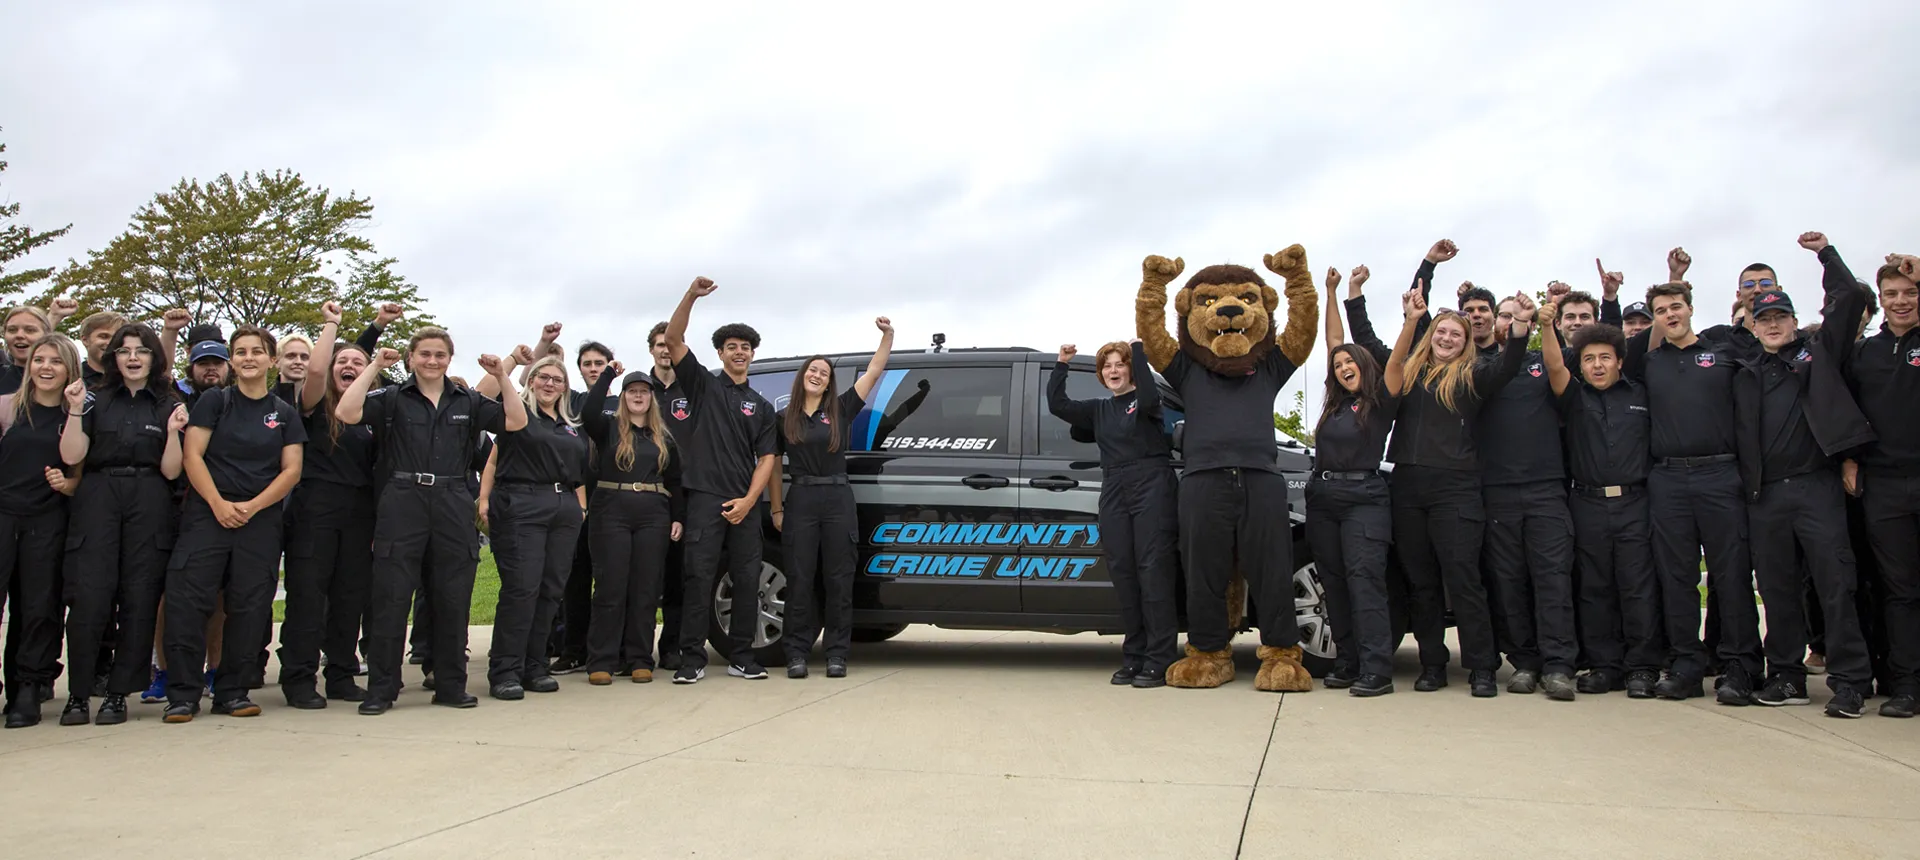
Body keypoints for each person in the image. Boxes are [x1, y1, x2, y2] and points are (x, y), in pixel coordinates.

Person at [335, 328, 526, 714]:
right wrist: (374, 365)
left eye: (440, 354)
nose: (433, 361)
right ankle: (382, 689)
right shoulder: (391, 397)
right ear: (411, 358)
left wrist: (504, 376)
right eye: (424, 354)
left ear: (449, 359)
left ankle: (451, 685)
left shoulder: (468, 401)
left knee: (453, 595)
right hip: (402, 498)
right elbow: (346, 411)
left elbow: (516, 421)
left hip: (453, 499)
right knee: (391, 596)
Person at [1728, 232, 1875, 718]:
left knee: (1836, 585)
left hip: (1817, 487)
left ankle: (1851, 680)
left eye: (1780, 317)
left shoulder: (1820, 352)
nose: (1772, 325)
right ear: (1752, 323)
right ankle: (1786, 676)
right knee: (1777, 589)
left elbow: (1851, 297)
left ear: (1794, 320)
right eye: (1763, 318)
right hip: (1765, 495)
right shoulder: (1746, 366)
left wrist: (1826, 254)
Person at [1382, 241, 1530, 698]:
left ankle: (1482, 667)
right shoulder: (1408, 374)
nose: (1447, 339)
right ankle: (1432, 664)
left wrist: (1522, 324)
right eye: (1441, 332)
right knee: (1421, 582)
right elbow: (1416, 311)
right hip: (1407, 485)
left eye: (1457, 335)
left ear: (1467, 343)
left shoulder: (1474, 377)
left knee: (1463, 579)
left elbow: (1508, 363)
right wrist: (1426, 266)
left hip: (1457, 490)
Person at [1623, 277, 1764, 704]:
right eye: (1661, 310)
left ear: (1690, 308)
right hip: (1667, 479)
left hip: (1720, 474)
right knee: (1677, 576)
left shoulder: (1723, 353)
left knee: (1731, 574)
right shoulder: (1648, 363)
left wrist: (1746, 306)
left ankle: (1740, 666)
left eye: (1676, 306)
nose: (1671, 314)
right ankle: (1686, 664)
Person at [160, 325, 307, 722]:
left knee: (249, 607)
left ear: (271, 360)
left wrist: (253, 507)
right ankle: (184, 694)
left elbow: (291, 470)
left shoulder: (284, 413)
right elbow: (193, 456)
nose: (247, 358)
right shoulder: (214, 401)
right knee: (188, 604)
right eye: (239, 352)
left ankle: (233, 691)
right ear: (232, 359)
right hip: (207, 516)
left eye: (256, 352)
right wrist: (218, 504)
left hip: (259, 522)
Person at [58, 323, 187, 726]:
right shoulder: (93, 398)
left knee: (139, 597)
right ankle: (78, 695)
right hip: (98, 495)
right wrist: (76, 410)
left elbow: (171, 471)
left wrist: (172, 433)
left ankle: (118, 693)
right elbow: (71, 453)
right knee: (89, 599)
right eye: (125, 350)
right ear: (113, 357)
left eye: (142, 350)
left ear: (154, 357)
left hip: (149, 497)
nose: (133, 358)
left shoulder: (169, 401)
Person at [761, 319, 896, 681]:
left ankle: (837, 654)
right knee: (800, 579)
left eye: (823, 372)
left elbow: (875, 369)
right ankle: (796, 653)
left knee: (839, 579)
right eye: (812, 369)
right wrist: (777, 508)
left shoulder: (841, 408)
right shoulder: (781, 419)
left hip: (838, 498)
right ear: (802, 375)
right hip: (801, 498)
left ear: (828, 380)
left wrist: (887, 336)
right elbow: (773, 468)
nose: (817, 375)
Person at [1539, 311, 1662, 699]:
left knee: (1638, 586)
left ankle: (1642, 666)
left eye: (1605, 357)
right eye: (1589, 358)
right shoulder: (1573, 397)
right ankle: (1605, 665)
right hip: (1587, 502)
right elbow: (1555, 365)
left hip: (1634, 502)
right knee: (1595, 588)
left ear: (1619, 360)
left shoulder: (1641, 394)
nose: (1597, 365)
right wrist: (1545, 326)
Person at [662, 277, 779, 683]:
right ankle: (691, 658)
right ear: (720, 353)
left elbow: (768, 458)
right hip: (704, 498)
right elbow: (674, 338)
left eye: (745, 347)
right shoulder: (702, 385)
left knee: (748, 578)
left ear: (752, 354)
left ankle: (742, 656)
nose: (740, 352)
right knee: (699, 577)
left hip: (744, 504)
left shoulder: (761, 407)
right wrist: (691, 295)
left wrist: (749, 501)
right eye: (732, 347)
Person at [1043, 328, 1174, 688]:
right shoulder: (1099, 410)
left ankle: (1159, 658)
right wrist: (1061, 364)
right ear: (1101, 374)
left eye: (1120, 365)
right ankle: (1133, 657)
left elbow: (1148, 396)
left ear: (1131, 370)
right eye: (1107, 366)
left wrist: (1138, 349)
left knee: (1153, 571)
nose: (1113, 371)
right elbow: (1058, 406)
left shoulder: (1147, 403)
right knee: (1124, 572)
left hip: (1152, 482)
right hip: (1114, 485)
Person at [1475, 290, 1580, 701]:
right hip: (1497, 492)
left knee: (1553, 578)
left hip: (1545, 489)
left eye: (1514, 315)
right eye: (1502, 316)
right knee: (1509, 581)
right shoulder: (1479, 369)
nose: (1506, 320)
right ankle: (1525, 661)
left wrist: (1545, 321)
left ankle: (1558, 666)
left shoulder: (1542, 362)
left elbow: (1564, 365)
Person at [276, 302, 376, 706]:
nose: (349, 365)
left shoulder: (374, 409)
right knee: (307, 595)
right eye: (343, 361)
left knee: (350, 595)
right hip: (315, 508)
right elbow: (315, 370)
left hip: (359, 512)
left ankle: (341, 675)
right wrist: (332, 324)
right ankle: (298, 678)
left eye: (359, 361)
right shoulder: (314, 403)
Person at [475, 352, 588, 700]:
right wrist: (483, 499)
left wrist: (580, 508)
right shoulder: (517, 414)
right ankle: (505, 670)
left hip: (563, 507)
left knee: (551, 589)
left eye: (556, 379)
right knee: (521, 588)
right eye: (543, 377)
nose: (549, 384)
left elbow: (578, 469)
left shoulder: (570, 425)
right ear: (530, 381)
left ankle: (534, 665)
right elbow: (493, 460)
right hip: (522, 502)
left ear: (565, 386)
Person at [1307, 265, 1397, 697]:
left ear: (1364, 365)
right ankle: (1347, 660)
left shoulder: (1379, 402)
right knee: (1334, 582)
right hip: (1324, 497)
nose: (1343, 365)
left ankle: (1377, 668)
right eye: (1338, 364)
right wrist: (1330, 291)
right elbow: (1332, 340)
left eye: (1349, 361)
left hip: (1365, 498)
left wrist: (1357, 296)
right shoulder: (1334, 404)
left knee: (1365, 580)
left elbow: (1388, 359)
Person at [1845, 251, 1920, 718]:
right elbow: (1846, 413)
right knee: (1900, 590)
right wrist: (1850, 459)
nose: (1900, 301)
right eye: (1890, 294)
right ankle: (1906, 684)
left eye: (1910, 292)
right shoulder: (1863, 354)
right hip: (1885, 486)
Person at [578, 360, 683, 684]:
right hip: (611, 510)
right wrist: (609, 374)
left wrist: (678, 516)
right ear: (623, 397)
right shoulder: (607, 428)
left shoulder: (663, 437)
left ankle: (640, 658)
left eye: (644, 392)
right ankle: (602, 659)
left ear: (652, 399)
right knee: (611, 587)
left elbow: (676, 480)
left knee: (646, 588)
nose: (638, 396)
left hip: (653, 512)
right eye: (632, 392)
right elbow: (589, 411)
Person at [0, 334, 84, 727]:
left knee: (38, 608)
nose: (46, 367)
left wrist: (67, 484)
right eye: (39, 360)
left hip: (47, 520)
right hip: (3, 515)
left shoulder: (78, 415)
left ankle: (28, 688)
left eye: (56, 361)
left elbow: (76, 467)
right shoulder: (7, 409)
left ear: (70, 368)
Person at [550, 338, 619, 676]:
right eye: (587, 364)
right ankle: (573, 649)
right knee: (575, 581)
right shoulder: (570, 401)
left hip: (612, 503)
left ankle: (608, 649)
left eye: (599, 363)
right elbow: (531, 380)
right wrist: (548, 347)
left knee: (610, 580)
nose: (593, 369)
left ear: (610, 365)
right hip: (574, 502)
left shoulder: (623, 402)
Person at [647, 322, 697, 672]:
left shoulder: (693, 388)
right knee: (645, 576)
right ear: (651, 349)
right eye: (659, 345)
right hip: (645, 493)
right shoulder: (637, 387)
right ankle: (634, 648)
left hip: (686, 493)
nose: (665, 350)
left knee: (679, 576)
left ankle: (672, 647)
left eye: (670, 345)